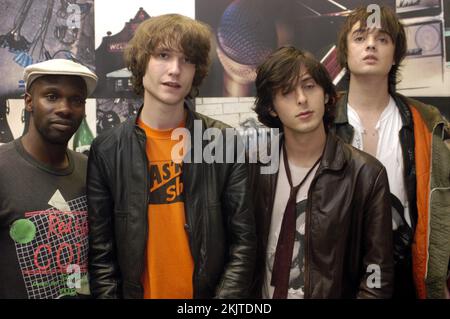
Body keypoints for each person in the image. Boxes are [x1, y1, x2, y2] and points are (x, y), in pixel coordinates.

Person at [87, 13, 256, 299]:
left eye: (187, 59)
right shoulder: (106, 150)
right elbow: (101, 255)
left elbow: (243, 243)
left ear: (197, 70)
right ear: (142, 62)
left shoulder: (223, 142)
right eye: (163, 55)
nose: (175, 69)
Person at [250, 46, 394, 299]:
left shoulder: (366, 174)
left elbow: (377, 274)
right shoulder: (253, 168)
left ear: (326, 95)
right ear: (272, 108)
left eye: (309, 86)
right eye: (286, 92)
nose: (302, 99)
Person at [334, 5, 450, 298]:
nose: (371, 44)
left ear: (396, 53)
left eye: (382, 38)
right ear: (344, 52)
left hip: (405, 271)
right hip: (334, 268)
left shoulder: (427, 123)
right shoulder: (319, 119)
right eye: (360, 37)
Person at [0, 58, 97, 299]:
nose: (65, 108)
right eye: (52, 96)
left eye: (76, 100)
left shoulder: (92, 170)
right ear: (29, 102)